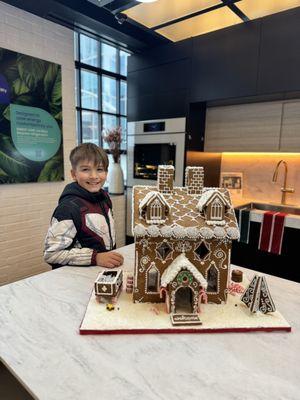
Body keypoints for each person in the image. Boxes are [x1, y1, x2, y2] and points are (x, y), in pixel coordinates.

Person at [44, 143, 124, 269]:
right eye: (85, 169)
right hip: (74, 280)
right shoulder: (67, 208)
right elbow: (52, 253)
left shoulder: (104, 198)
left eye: (99, 169)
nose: (94, 176)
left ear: (106, 172)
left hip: (100, 274)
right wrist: (95, 257)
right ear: (74, 174)